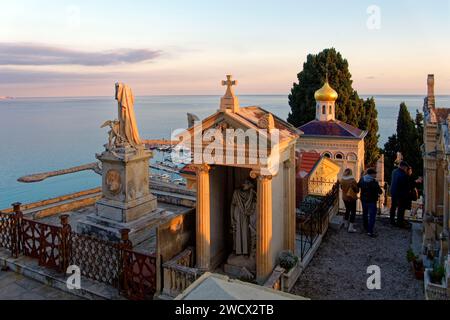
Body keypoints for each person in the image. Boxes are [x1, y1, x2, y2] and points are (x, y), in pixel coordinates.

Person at [358, 168, 383, 238]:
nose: (376, 175)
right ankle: (370, 231)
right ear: (372, 174)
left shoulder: (362, 179)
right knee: (372, 216)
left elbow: (358, 186)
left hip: (363, 200)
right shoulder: (373, 182)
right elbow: (380, 191)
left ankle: (365, 228)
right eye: (375, 174)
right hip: (371, 201)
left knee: (365, 214)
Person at [389, 161, 411, 229]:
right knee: (400, 208)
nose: (406, 169)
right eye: (405, 168)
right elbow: (404, 184)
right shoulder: (403, 174)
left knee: (393, 206)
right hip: (399, 193)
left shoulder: (394, 171)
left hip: (393, 191)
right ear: (403, 166)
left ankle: (392, 220)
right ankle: (399, 222)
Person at [339, 168, 359, 233]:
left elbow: (341, 188)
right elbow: (356, 190)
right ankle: (351, 227)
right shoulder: (352, 180)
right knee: (353, 211)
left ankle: (346, 223)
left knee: (347, 209)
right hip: (351, 198)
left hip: (344, 198)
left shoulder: (342, 180)